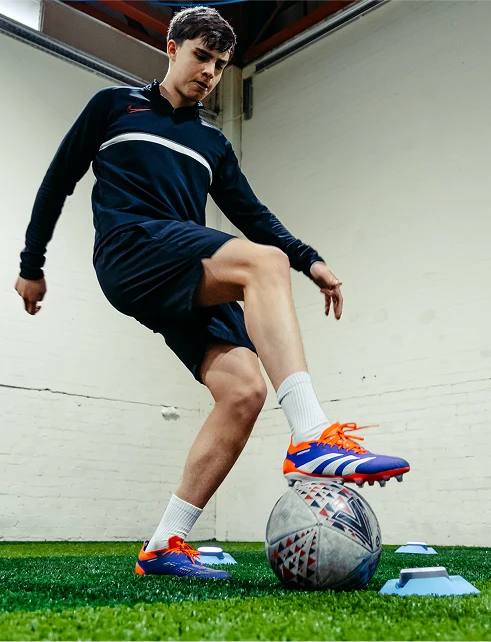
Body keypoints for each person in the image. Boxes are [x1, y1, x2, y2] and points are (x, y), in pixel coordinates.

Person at [15, 7, 409, 580]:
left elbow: (252, 213)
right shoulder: (113, 107)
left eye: (221, 64)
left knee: (244, 391)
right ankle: (311, 436)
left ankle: (164, 544)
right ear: (172, 48)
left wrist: (310, 259)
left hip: (182, 268)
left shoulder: (212, 142)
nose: (210, 72)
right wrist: (32, 264)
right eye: (202, 56)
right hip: (130, 251)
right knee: (263, 264)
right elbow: (58, 179)